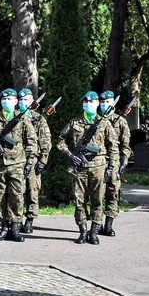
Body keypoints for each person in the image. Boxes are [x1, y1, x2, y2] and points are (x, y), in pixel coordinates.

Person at [56, 90, 119, 245]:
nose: (88, 104)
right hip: (80, 168)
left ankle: (94, 232)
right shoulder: (74, 123)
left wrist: (111, 167)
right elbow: (60, 141)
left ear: (97, 104)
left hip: (99, 167)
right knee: (79, 201)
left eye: (91, 102)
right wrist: (70, 155)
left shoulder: (104, 123)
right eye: (85, 102)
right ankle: (83, 231)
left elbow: (113, 147)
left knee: (97, 200)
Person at [0, 88, 37, 242]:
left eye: (10, 99)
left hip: (17, 163)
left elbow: (31, 142)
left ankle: (15, 227)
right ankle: (3, 227)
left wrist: (30, 162)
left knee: (17, 195)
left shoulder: (23, 119)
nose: (6, 102)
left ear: (16, 102)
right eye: (4, 99)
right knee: (0, 196)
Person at [98, 90, 131, 236]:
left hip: (114, 162)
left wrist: (124, 162)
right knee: (97, 194)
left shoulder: (120, 121)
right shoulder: (96, 120)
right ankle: (96, 223)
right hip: (98, 162)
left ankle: (109, 224)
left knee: (112, 193)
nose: (105, 104)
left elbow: (125, 145)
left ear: (113, 103)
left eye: (108, 102)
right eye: (103, 102)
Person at [17, 88, 51, 234]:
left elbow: (45, 141)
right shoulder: (15, 116)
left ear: (32, 101)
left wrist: (43, 160)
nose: (24, 102)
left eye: (27, 99)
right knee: (17, 191)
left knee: (32, 190)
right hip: (16, 159)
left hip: (33, 160)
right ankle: (16, 220)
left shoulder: (38, 119)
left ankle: (30, 219)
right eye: (21, 99)